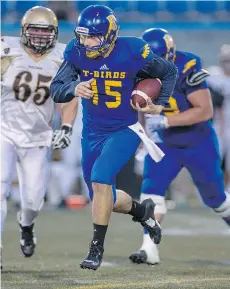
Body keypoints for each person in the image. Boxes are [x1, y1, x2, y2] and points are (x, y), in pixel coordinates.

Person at [50, 5, 178, 270]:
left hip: (123, 130)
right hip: (91, 133)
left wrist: (159, 104)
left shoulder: (132, 50)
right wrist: (74, 86)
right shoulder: (76, 51)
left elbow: (168, 72)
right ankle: (142, 211)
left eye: (93, 36)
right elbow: (56, 90)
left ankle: (96, 248)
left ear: (109, 34)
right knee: (101, 196)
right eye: (83, 35)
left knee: (99, 179)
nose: (86, 42)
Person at [129, 28, 230, 265]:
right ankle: (148, 248)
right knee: (151, 191)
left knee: (216, 199)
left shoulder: (188, 66)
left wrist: (166, 120)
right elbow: (141, 106)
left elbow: (204, 111)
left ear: (171, 55)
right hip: (165, 143)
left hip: (198, 142)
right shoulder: (139, 72)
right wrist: (144, 138)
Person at [0, 6, 77, 266]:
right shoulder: (5, 49)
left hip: (38, 137)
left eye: (46, 31)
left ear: (55, 33)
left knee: (33, 201)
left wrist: (65, 127)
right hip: (5, 131)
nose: (40, 36)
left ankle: (26, 224)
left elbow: (70, 97)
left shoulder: (63, 56)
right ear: (23, 30)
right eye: (35, 30)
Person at [207, 45, 230, 193]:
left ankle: (227, 191)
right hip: (217, 125)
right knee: (212, 161)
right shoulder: (212, 76)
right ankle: (211, 191)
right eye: (225, 60)